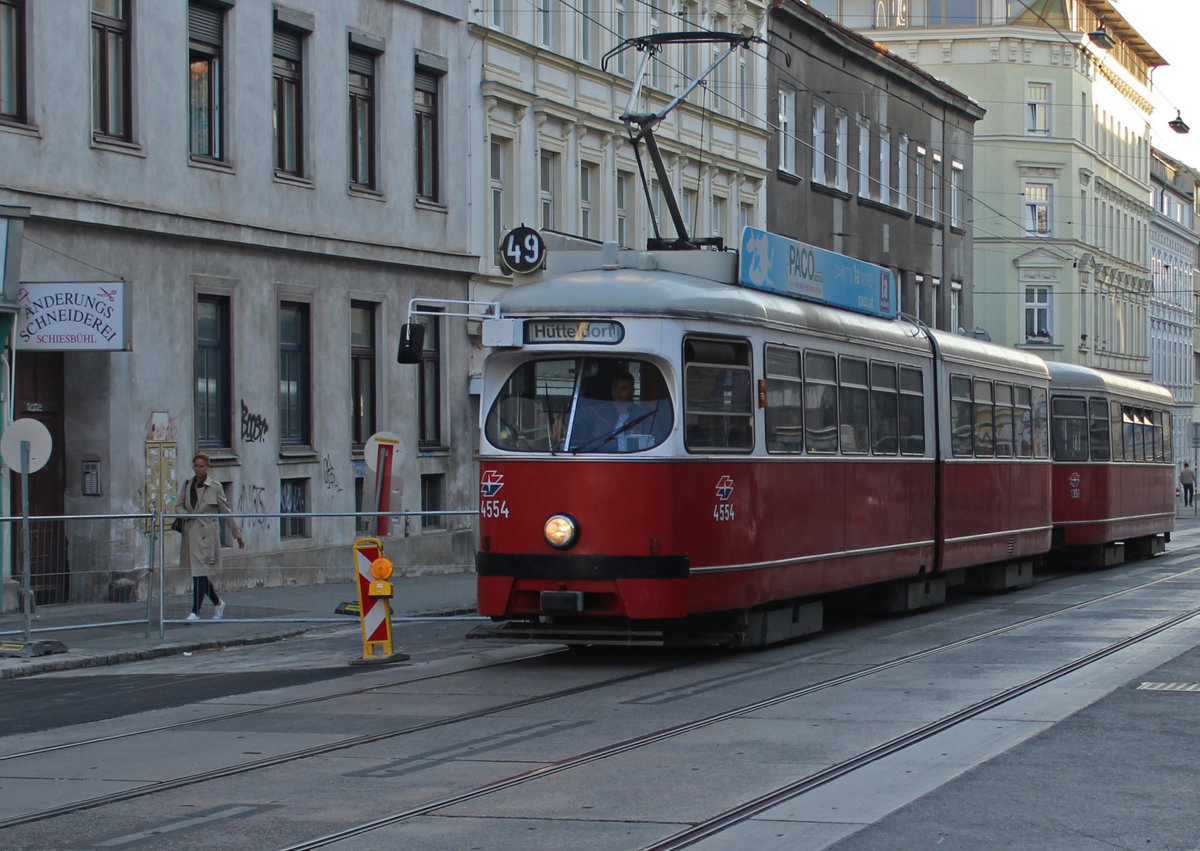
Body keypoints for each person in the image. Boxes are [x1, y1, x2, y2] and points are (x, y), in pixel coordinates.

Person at [178, 452, 245, 620]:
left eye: (202, 466)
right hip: (191, 533)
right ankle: (218, 603)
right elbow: (178, 506)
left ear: (208, 467)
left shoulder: (215, 486)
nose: (198, 469)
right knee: (199, 573)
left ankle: (195, 611)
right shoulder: (187, 484)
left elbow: (226, 511)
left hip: (206, 536)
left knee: (199, 574)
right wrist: (186, 513)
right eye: (196, 466)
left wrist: (237, 535)